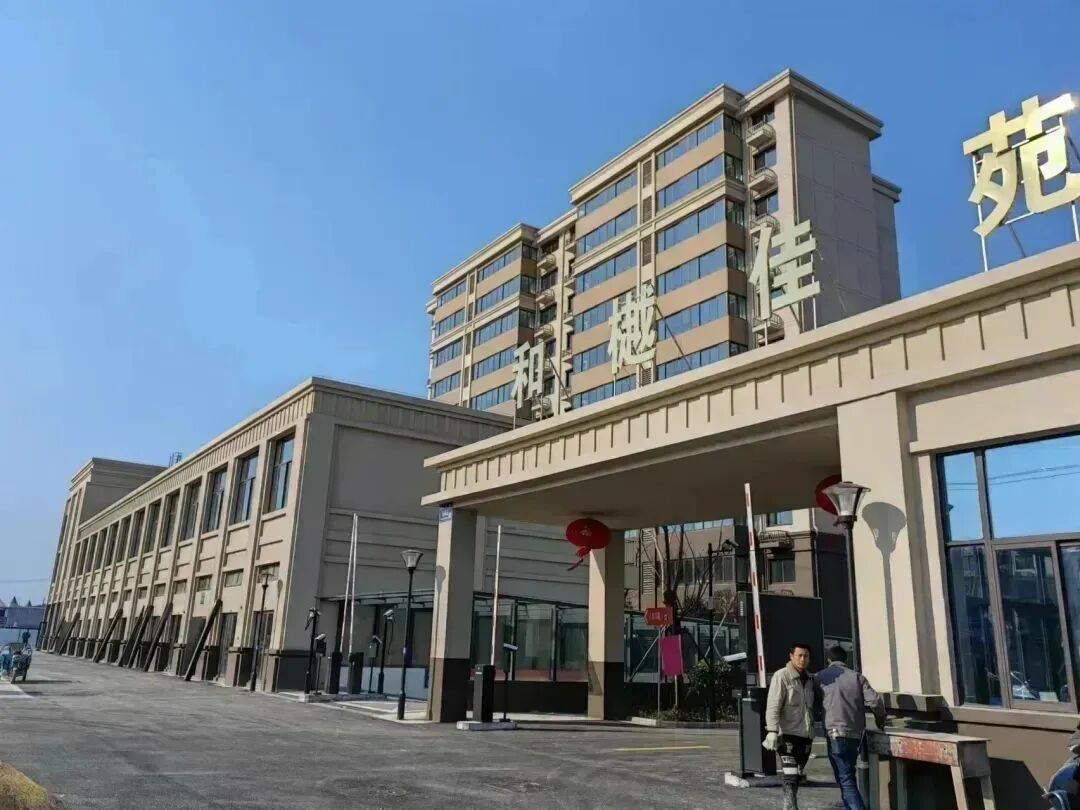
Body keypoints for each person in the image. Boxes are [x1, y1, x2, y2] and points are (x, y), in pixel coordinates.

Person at [815, 645, 886, 810]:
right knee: (848, 775)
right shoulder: (857, 677)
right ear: (846, 660)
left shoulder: (820, 677)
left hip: (834, 733)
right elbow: (875, 701)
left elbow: (813, 701)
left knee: (845, 779)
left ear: (829, 660)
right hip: (855, 734)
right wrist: (880, 720)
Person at [764, 642, 816, 810]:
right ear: (791, 656)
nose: (802, 659)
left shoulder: (810, 679)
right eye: (799, 655)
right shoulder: (782, 676)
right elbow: (773, 705)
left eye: (806, 656)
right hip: (787, 735)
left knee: (797, 776)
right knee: (790, 776)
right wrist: (772, 730)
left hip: (805, 736)